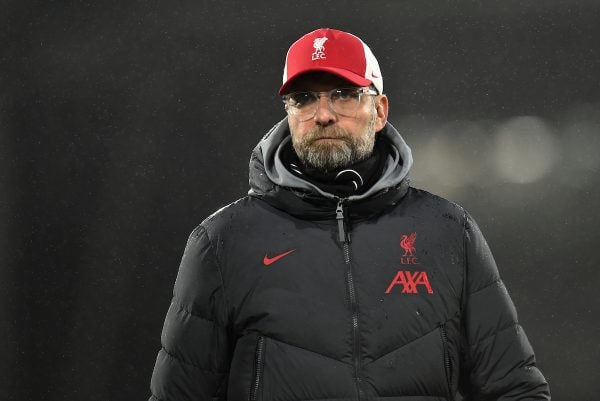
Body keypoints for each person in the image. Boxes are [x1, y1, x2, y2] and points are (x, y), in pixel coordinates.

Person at [148, 28, 550, 401]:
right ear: (289, 113)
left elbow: (515, 389)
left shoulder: (447, 233)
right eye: (304, 98)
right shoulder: (222, 242)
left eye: (343, 93)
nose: (322, 114)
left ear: (379, 110)